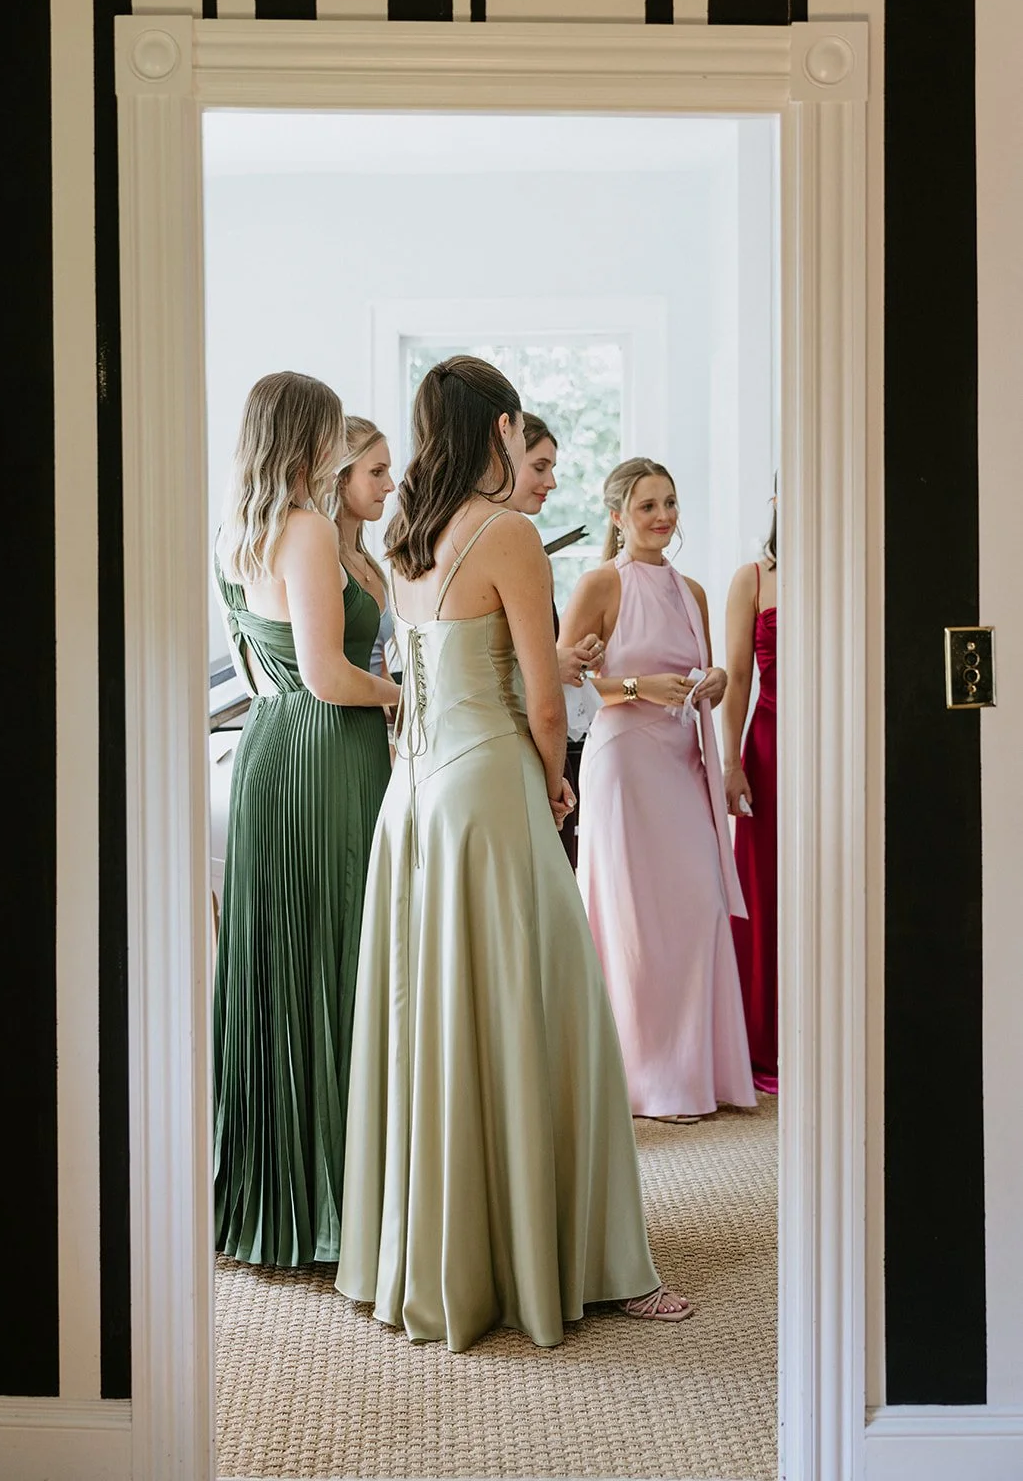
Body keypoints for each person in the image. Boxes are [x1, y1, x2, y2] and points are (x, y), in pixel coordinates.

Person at [336, 357, 692, 1349]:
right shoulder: (509, 535)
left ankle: (442, 1251)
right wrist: (552, 779)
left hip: (411, 799)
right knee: (552, 1007)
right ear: (500, 427)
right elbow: (544, 699)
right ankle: (579, 1257)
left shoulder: (404, 534)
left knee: (439, 1018)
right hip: (488, 788)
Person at [213, 371, 399, 1267]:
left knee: (283, 959)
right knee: (333, 950)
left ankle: (277, 1188)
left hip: (269, 747)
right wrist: (402, 695)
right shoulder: (309, 529)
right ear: (306, 440)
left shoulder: (236, 535)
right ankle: (334, 1195)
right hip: (328, 746)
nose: (337, 447)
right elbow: (329, 675)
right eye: (330, 432)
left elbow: (281, 667)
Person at [559, 458, 756, 1124]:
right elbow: (565, 680)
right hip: (624, 766)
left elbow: (708, 671)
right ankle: (641, 1080)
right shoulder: (598, 585)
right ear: (617, 515)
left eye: (668, 502)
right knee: (633, 924)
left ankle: (697, 1072)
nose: (662, 516)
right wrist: (641, 687)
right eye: (646, 505)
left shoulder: (691, 591)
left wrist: (715, 682)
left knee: (698, 906)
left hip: (682, 765)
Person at [508, 411, 604, 865]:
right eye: (540, 467)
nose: (552, 482)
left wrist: (564, 657)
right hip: (524, 746)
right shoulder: (512, 542)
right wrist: (553, 662)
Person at [723, 492, 779, 1095]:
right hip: (768, 746)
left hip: (836, 746)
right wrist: (732, 761)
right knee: (764, 887)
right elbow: (737, 676)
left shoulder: (847, 566)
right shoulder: (752, 577)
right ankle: (762, 1041)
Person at [332, 415, 397, 681]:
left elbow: (379, 668)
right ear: (341, 477)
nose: (390, 485)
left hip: (376, 720)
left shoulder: (370, 566)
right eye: (377, 471)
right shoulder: (324, 565)